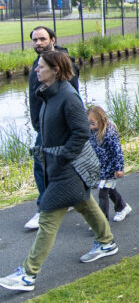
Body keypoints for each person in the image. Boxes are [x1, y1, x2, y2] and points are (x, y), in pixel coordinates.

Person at [0, 51, 117, 292]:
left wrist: (63, 157)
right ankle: (106, 242)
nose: (35, 70)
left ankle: (28, 274)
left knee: (47, 216)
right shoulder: (48, 95)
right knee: (85, 203)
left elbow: (82, 132)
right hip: (57, 166)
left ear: (55, 70)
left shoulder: (68, 97)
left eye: (41, 67)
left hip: (69, 168)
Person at [25, 26, 81, 231]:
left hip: (55, 125)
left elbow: (70, 96)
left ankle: (44, 209)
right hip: (43, 123)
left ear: (53, 39)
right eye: (35, 40)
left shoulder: (63, 63)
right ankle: (69, 200)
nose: (38, 43)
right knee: (58, 165)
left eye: (42, 39)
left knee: (41, 164)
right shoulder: (38, 63)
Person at [87, 106, 131, 222]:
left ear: (101, 121)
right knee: (110, 190)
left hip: (111, 169)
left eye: (93, 124)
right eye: (89, 124)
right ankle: (122, 207)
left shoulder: (110, 133)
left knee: (103, 194)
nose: (90, 127)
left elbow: (117, 152)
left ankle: (102, 221)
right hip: (101, 168)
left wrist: (119, 168)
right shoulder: (92, 132)